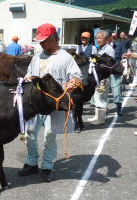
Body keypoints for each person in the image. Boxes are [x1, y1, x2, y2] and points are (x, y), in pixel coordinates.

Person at [18, 23, 82, 182]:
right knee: (30, 133)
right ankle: (31, 162)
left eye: (44, 40)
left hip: (54, 103)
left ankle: (47, 166)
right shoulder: (38, 55)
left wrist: (70, 84)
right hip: (35, 103)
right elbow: (30, 75)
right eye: (39, 40)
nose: (41, 43)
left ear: (54, 38)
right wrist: (26, 79)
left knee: (50, 134)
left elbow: (76, 77)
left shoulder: (65, 57)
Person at [88, 30, 116, 124]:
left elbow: (109, 65)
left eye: (100, 38)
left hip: (104, 77)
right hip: (98, 77)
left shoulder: (109, 49)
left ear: (107, 39)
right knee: (97, 96)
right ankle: (97, 116)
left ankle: (101, 119)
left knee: (101, 97)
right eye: (96, 38)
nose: (98, 40)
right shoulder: (98, 48)